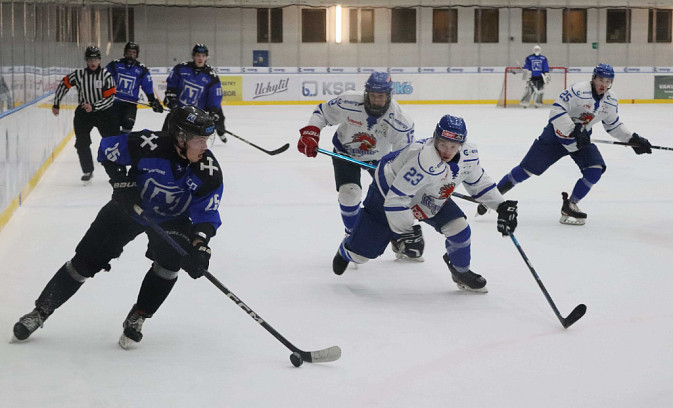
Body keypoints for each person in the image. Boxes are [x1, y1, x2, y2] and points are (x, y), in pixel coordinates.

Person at [12, 106, 224, 349]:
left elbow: (206, 213)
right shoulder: (147, 144)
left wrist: (199, 246)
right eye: (199, 140)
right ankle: (40, 311)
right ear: (180, 137)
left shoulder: (208, 171)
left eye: (206, 139)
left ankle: (139, 315)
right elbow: (107, 149)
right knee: (84, 262)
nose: (205, 146)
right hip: (129, 209)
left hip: (171, 220)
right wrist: (122, 182)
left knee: (170, 263)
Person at [331, 114, 519, 293]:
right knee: (362, 254)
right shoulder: (423, 159)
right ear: (434, 138)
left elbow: (478, 182)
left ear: (461, 145)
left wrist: (500, 206)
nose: (447, 151)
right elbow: (396, 199)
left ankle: (461, 271)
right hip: (386, 193)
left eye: (453, 146)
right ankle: (346, 250)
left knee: (459, 228)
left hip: (430, 194)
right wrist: (404, 230)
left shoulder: (469, 154)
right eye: (442, 144)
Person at [477, 63, 652, 225]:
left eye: (608, 81)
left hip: (580, 141)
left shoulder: (610, 100)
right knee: (526, 170)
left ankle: (570, 205)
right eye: (600, 79)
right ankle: (493, 197)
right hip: (555, 137)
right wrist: (572, 128)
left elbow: (613, 125)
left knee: (595, 169)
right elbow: (557, 109)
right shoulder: (578, 91)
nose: (603, 84)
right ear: (593, 78)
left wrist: (632, 139)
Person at [297, 71, 415, 257]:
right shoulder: (349, 101)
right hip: (346, 152)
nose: (376, 100)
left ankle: (398, 237)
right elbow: (322, 112)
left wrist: (400, 175)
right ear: (366, 93)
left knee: (391, 201)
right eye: (373, 95)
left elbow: (404, 154)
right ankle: (353, 235)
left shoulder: (400, 120)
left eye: (381, 96)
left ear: (389, 96)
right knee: (349, 194)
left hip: (380, 160)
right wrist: (311, 132)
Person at [52, 45, 119, 184]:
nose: (92, 62)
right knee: (81, 143)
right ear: (86, 61)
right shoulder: (79, 74)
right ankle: (88, 170)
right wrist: (56, 103)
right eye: (89, 59)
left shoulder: (106, 75)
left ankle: (119, 170)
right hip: (84, 113)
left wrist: (94, 106)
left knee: (112, 142)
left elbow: (110, 99)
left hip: (104, 113)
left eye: (95, 59)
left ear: (99, 60)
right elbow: (64, 84)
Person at [164, 43, 226, 143]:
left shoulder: (211, 75)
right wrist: (171, 99)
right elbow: (172, 85)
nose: (200, 58)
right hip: (179, 111)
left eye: (203, 56)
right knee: (166, 138)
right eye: (197, 55)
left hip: (197, 115)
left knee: (191, 143)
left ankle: (221, 131)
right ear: (193, 56)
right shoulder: (181, 68)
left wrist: (213, 111)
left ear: (207, 57)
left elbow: (215, 96)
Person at [106, 41, 163, 133]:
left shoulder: (141, 69)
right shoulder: (114, 65)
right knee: (112, 129)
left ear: (137, 55)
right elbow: (104, 79)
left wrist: (152, 100)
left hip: (130, 104)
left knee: (128, 125)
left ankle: (123, 144)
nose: (131, 55)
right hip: (114, 103)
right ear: (125, 52)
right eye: (129, 52)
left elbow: (147, 86)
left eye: (133, 53)